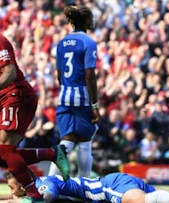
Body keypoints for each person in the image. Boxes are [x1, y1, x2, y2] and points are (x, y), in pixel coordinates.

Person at [0, 1, 69, 202]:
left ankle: (34, 195)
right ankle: (52, 153)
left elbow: (10, 71)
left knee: (6, 150)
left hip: (17, 96)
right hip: (6, 100)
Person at [49, 5, 101, 178]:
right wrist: (94, 104)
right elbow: (89, 76)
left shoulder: (62, 42)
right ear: (86, 20)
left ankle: (49, 185)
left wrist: (65, 90)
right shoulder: (89, 43)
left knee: (66, 140)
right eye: (91, 18)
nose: (93, 21)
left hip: (64, 97)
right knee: (85, 142)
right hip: (82, 98)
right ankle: (84, 187)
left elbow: (59, 74)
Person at [0, 171, 169, 203]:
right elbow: (19, 194)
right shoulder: (32, 185)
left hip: (107, 188)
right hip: (116, 181)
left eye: (13, 188)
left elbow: (46, 199)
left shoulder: (46, 184)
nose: (11, 191)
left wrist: (16, 201)